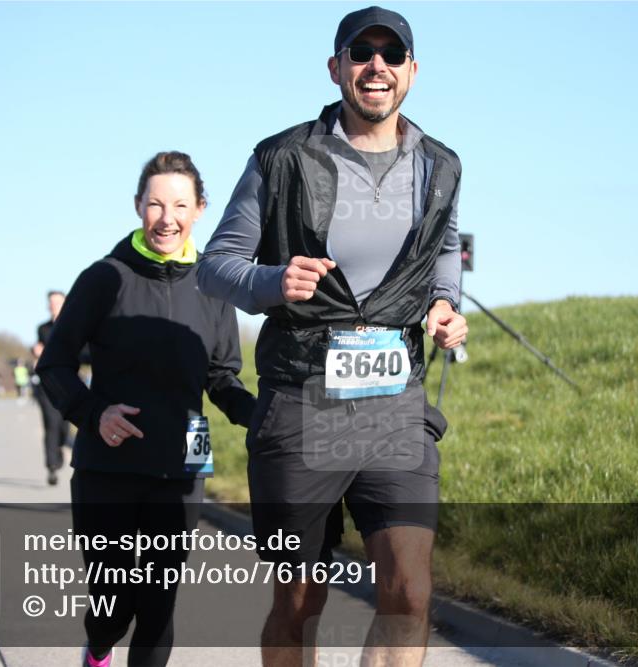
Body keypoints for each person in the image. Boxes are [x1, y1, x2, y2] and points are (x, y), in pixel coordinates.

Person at [197, 7, 468, 665]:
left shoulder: (440, 165)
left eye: (391, 54)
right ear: (336, 67)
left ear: (411, 72)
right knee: (299, 599)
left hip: (394, 402)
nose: (376, 65)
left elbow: (443, 247)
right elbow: (215, 265)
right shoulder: (282, 157)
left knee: (410, 589)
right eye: (361, 52)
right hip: (302, 400)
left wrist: (444, 304)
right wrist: (272, 281)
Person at [36, 151, 256, 667]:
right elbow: (55, 365)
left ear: (200, 209)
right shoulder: (103, 278)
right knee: (114, 608)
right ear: (138, 206)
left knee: (158, 606)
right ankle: (97, 649)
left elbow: (222, 378)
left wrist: (264, 412)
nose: (167, 217)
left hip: (182, 467)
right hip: (107, 466)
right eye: (155, 204)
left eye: (180, 204)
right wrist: (94, 413)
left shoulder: (213, 285)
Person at [32, 290, 73, 485]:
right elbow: (40, 349)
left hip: (71, 384)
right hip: (47, 384)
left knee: (64, 428)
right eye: (51, 302)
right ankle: (51, 466)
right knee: (50, 424)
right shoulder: (43, 328)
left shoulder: (75, 325)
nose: (53, 305)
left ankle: (60, 449)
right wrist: (36, 351)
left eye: (57, 302)